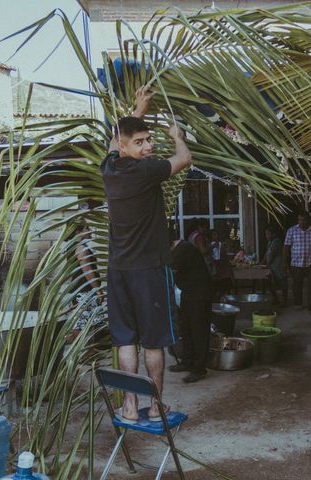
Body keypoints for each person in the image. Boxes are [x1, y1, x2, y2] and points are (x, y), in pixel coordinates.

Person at [101, 86, 192, 423]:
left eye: (149, 140)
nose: (148, 146)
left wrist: (138, 110)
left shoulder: (110, 168)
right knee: (153, 342)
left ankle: (129, 407)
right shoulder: (146, 171)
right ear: (126, 147)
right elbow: (184, 159)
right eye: (139, 143)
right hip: (150, 270)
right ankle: (154, 407)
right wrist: (177, 136)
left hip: (119, 269)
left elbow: (115, 139)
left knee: (126, 341)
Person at [170, 236, 213, 383]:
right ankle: (187, 361)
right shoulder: (177, 249)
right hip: (188, 293)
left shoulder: (182, 250)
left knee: (198, 331)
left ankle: (199, 369)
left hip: (200, 294)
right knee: (186, 328)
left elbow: (169, 274)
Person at [65, 222, 106, 344]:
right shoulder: (81, 248)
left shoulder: (72, 247)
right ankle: (85, 352)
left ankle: (84, 351)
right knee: (82, 322)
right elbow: (88, 271)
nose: (91, 230)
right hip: (85, 291)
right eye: (86, 227)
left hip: (79, 290)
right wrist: (97, 290)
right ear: (78, 232)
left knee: (81, 321)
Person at [283, 210, 311, 316]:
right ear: (298, 220)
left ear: (308, 220)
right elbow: (286, 247)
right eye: (300, 220)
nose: (302, 222)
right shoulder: (291, 231)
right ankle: (298, 303)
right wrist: (284, 261)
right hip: (296, 263)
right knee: (296, 284)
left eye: (304, 220)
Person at [263, 224, 287, 306]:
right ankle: (276, 299)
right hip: (273, 266)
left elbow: (271, 254)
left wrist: (267, 264)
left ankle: (284, 301)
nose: (266, 236)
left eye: (267, 234)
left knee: (282, 284)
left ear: (273, 234)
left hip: (279, 265)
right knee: (270, 283)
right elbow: (267, 253)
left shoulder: (277, 241)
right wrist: (262, 262)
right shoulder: (270, 242)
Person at [209, 229, 232, 299]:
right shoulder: (209, 245)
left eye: (216, 234)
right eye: (213, 234)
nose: (215, 236)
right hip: (215, 270)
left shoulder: (221, 245)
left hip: (223, 270)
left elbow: (225, 256)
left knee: (223, 287)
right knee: (217, 288)